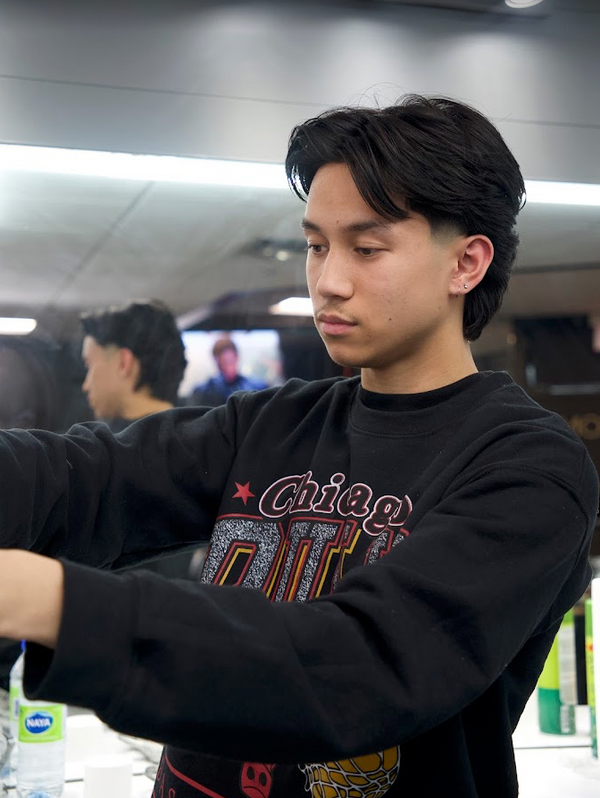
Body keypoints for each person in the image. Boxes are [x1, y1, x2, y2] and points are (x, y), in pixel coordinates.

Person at [0, 95, 597, 798]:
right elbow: (84, 476)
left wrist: (53, 602)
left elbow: (359, 663)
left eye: (367, 249)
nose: (328, 282)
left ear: (465, 264)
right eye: (317, 245)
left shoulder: (529, 468)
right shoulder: (271, 425)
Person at [80, 298, 187, 432]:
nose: (86, 385)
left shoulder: (112, 450)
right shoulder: (198, 441)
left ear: (124, 363)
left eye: (89, 365)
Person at [190, 335, 267, 407]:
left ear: (236, 357)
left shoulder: (256, 387)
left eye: (230, 361)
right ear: (216, 362)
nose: (228, 367)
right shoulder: (204, 391)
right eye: (223, 363)